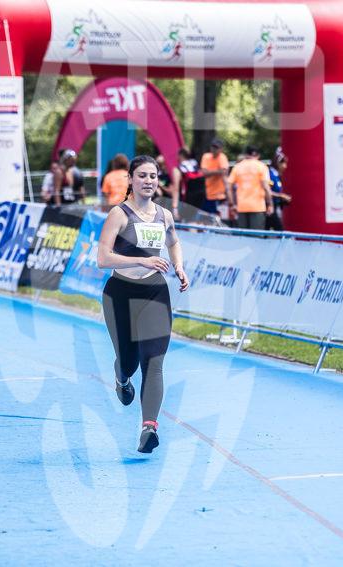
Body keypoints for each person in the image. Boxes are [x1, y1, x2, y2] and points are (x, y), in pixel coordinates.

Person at [97, 155, 190, 454]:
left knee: (154, 361)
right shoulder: (119, 214)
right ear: (131, 179)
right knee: (129, 361)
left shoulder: (164, 215)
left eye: (153, 176)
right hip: (120, 294)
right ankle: (122, 377)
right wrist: (142, 260)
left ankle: (149, 428)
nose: (148, 181)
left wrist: (179, 266)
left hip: (154, 292)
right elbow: (103, 259)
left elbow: (174, 241)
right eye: (142, 175)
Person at [226, 145, 273, 230]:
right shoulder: (262, 166)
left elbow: (228, 187)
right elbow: (266, 187)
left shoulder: (237, 167)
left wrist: (231, 204)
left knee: (243, 236)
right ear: (258, 155)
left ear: (245, 154)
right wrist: (270, 204)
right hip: (258, 207)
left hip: (241, 207)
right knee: (256, 235)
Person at [200, 139, 230, 216]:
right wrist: (218, 171)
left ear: (221, 149)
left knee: (220, 218)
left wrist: (210, 172)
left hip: (220, 196)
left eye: (216, 148)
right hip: (208, 194)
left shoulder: (222, 157)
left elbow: (224, 172)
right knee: (206, 218)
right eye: (213, 147)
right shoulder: (206, 156)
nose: (214, 149)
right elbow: (204, 173)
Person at [172, 148, 205, 215]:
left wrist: (174, 207)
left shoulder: (178, 168)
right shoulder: (195, 164)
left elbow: (176, 189)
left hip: (188, 199)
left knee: (186, 218)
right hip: (201, 197)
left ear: (180, 155)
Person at [266, 148, 292, 231]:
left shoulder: (277, 176)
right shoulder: (270, 175)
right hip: (269, 207)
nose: (285, 166)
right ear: (278, 164)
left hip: (275, 207)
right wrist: (281, 196)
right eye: (283, 163)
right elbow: (267, 191)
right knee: (279, 230)